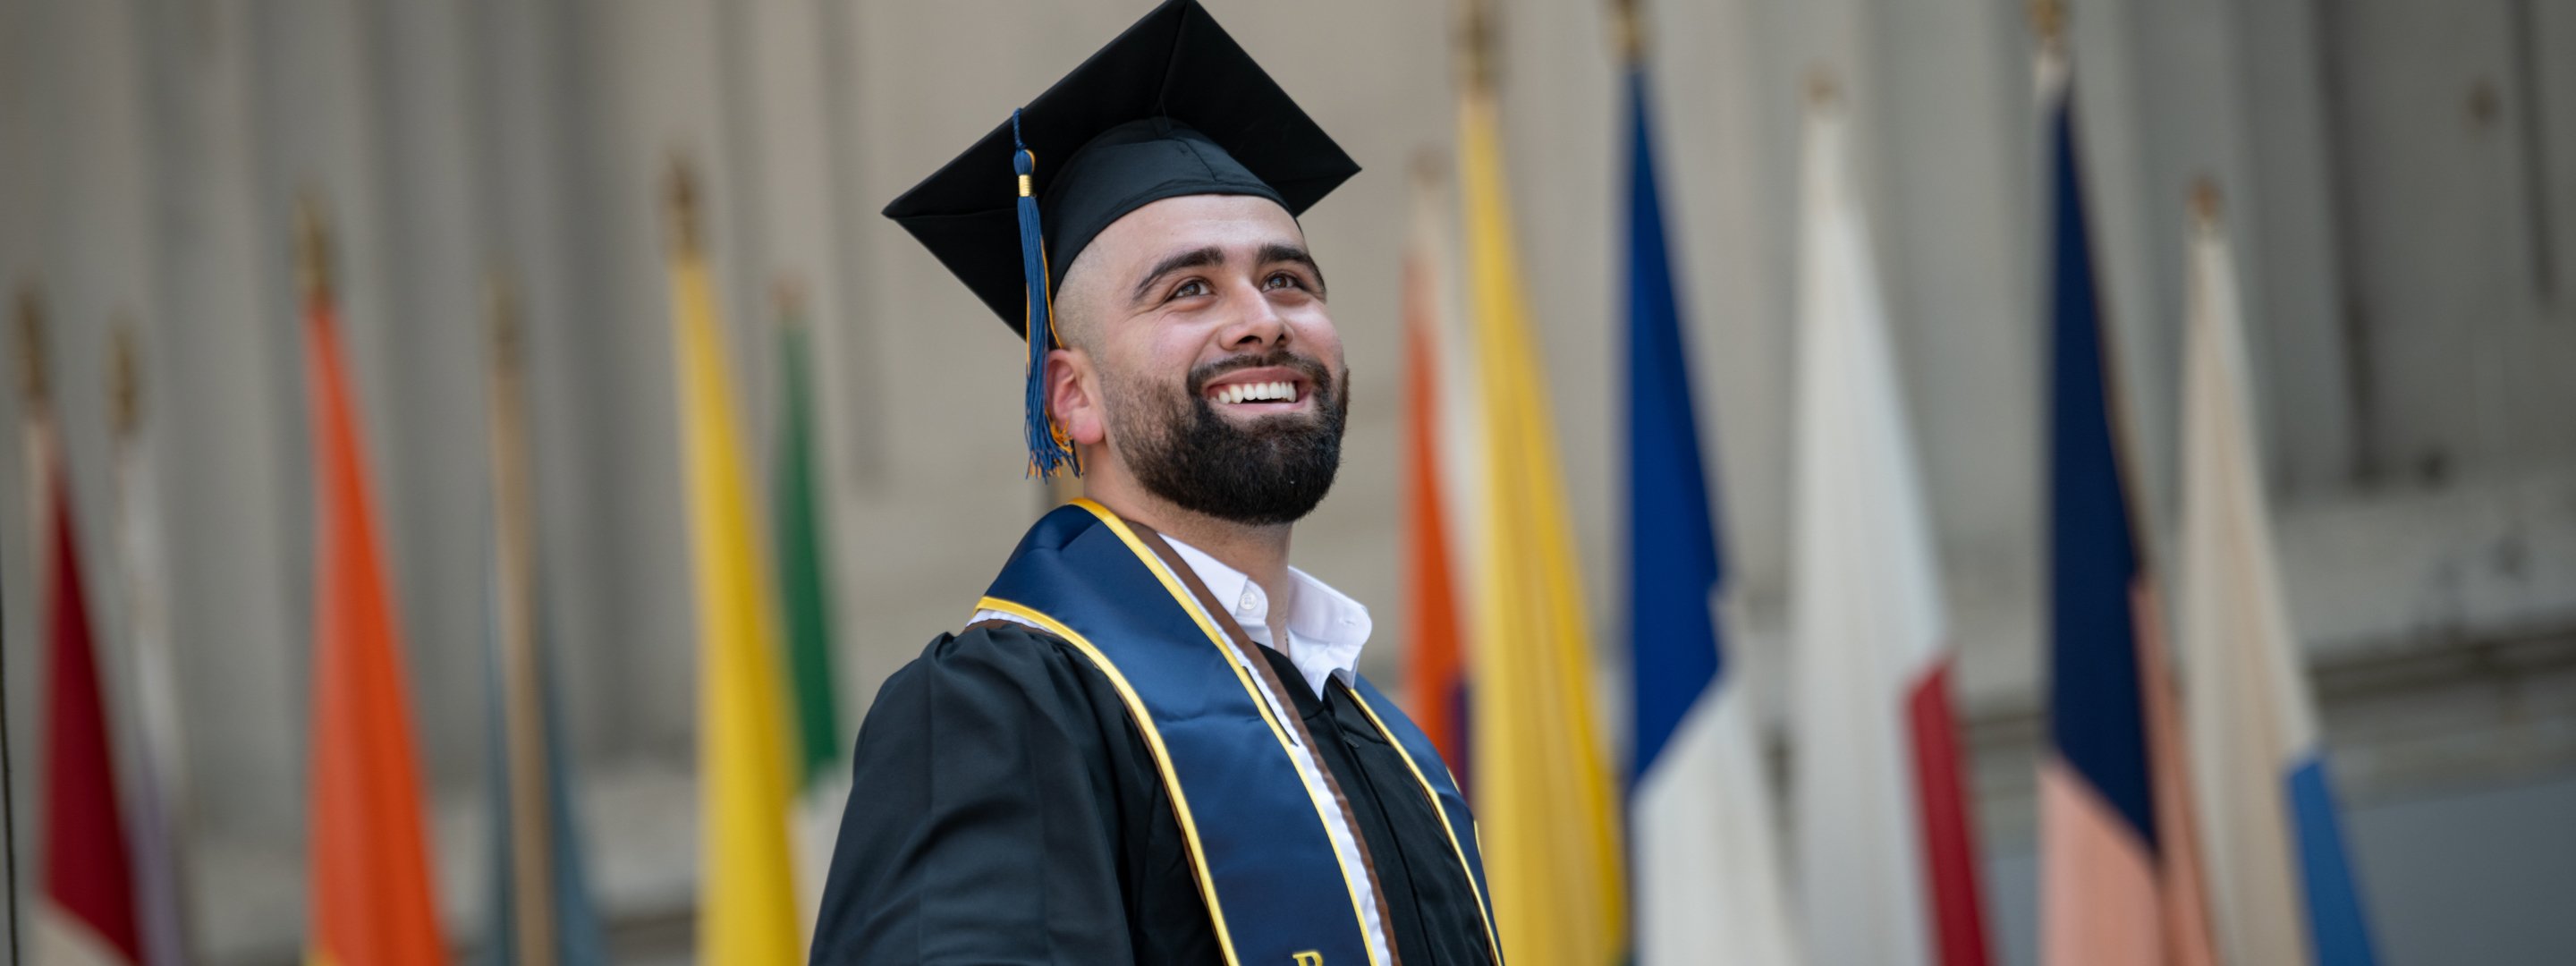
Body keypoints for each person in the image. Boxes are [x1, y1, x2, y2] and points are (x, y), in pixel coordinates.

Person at [808, 3, 1501, 964]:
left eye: (1290, 281)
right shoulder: (996, 714)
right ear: (1072, 398)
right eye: (1189, 288)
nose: (1263, 321)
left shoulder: (1382, 744)